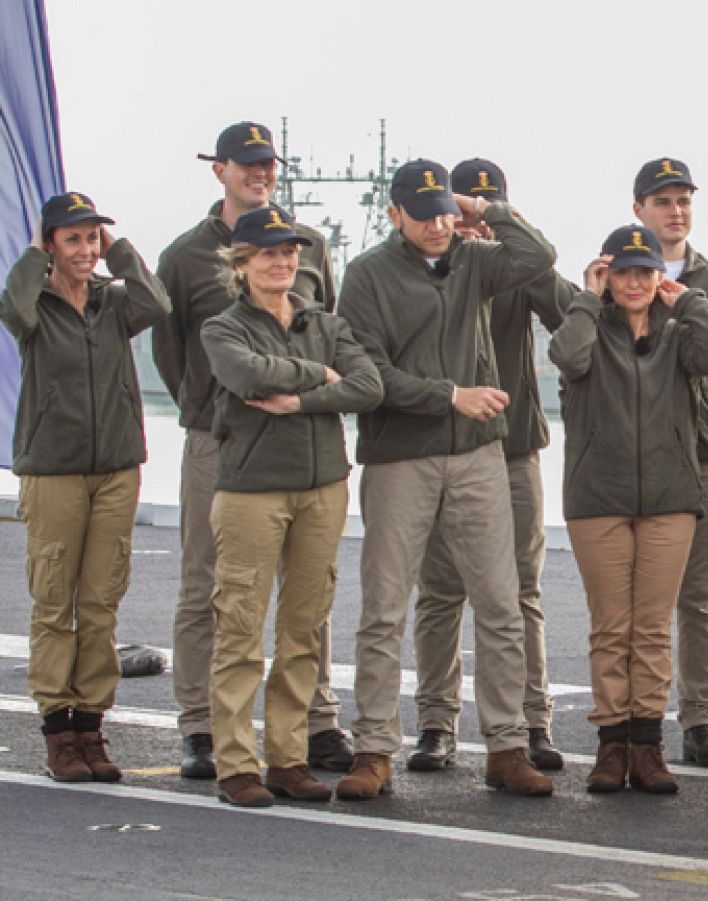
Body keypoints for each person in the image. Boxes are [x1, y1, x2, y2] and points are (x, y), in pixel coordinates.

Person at [335, 159, 558, 800]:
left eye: (443, 210)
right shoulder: (367, 276)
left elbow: (538, 255)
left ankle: (508, 747)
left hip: (480, 458)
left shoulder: (473, 256)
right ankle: (374, 749)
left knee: (500, 603)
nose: (438, 223)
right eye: (423, 211)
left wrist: (480, 209)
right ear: (394, 213)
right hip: (401, 457)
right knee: (383, 609)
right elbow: (368, 373)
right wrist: (449, 396)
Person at [153, 121, 351, 779]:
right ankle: (202, 726)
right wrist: (209, 411)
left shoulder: (310, 245)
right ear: (220, 170)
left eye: (267, 164)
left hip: (301, 439)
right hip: (221, 437)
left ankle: (317, 721)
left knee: (307, 589)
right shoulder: (185, 256)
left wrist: (311, 389)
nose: (259, 173)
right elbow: (173, 347)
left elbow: (327, 335)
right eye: (247, 164)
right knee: (209, 584)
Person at [200, 207, 383, 807]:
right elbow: (245, 375)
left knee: (304, 628)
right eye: (269, 253)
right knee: (240, 630)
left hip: (323, 487)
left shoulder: (325, 323)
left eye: (289, 251)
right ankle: (235, 765)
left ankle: (288, 756)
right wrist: (317, 375)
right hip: (251, 491)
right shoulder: (222, 328)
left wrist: (300, 399)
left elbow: (368, 386)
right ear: (242, 263)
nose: (283, 261)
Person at [549, 225, 708, 794]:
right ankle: (611, 745)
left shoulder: (681, 334)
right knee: (612, 628)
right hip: (598, 498)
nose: (634, 282)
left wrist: (692, 300)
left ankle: (648, 743)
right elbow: (567, 355)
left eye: (645, 271)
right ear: (607, 275)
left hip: (669, 498)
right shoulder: (588, 326)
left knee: (652, 629)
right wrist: (587, 297)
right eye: (622, 271)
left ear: (661, 277)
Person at [2, 192, 169, 783]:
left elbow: (158, 302)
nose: (85, 249)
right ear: (51, 244)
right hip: (53, 469)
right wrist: (32, 258)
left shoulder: (114, 302)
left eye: (92, 238)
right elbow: (11, 308)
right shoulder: (36, 306)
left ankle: (92, 731)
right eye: (73, 238)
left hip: (117, 467)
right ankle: (58, 733)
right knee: (55, 604)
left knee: (100, 605)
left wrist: (121, 254)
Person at [407, 159, 568, 774]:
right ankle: (434, 723)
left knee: (521, 592)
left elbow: (574, 313)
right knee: (441, 591)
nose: (469, 221)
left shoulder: (515, 266)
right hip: (443, 447)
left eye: (482, 207)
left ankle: (533, 720)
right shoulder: (434, 268)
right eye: (462, 208)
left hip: (513, 448)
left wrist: (503, 225)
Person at [631, 157, 708, 767]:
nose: (676, 211)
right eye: (663, 200)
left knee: (699, 601)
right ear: (639, 208)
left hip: (702, 461)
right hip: (635, 465)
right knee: (634, 605)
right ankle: (629, 719)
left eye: (683, 200)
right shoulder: (617, 275)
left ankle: (700, 719)